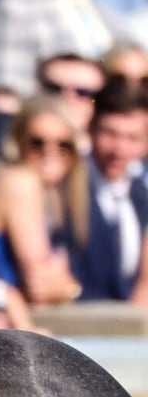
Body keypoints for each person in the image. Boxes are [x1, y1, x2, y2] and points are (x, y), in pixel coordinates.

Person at [0, 96, 85, 326]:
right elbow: (39, 283)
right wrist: (70, 288)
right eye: (37, 143)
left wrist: (66, 286)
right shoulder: (21, 182)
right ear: (18, 142)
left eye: (63, 144)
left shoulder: (55, 193)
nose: (50, 151)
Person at [68, 80, 148, 303]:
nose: (119, 149)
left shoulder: (141, 196)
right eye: (110, 133)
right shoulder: (66, 187)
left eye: (132, 138)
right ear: (91, 129)